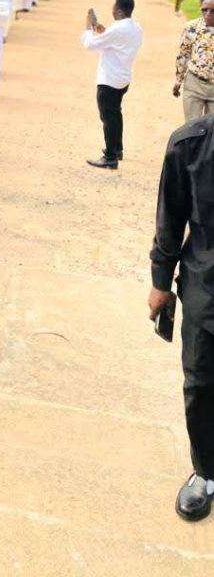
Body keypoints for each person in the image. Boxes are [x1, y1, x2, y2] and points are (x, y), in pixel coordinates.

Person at [148, 112, 214, 521]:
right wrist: (160, 281)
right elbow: (170, 217)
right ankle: (206, 472)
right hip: (207, 293)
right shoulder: (189, 145)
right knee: (201, 384)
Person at [81, 0, 143, 169]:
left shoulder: (117, 29)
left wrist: (88, 28)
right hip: (123, 77)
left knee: (108, 117)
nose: (112, 10)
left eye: (114, 8)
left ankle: (110, 157)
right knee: (115, 113)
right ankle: (117, 149)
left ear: (120, 11)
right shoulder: (137, 28)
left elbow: (90, 45)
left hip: (109, 79)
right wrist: (105, 32)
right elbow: (118, 41)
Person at [173, 0, 214, 120]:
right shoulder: (192, 27)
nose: (208, 13)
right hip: (194, 84)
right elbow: (184, 54)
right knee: (192, 127)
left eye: (212, 11)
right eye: (204, 9)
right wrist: (178, 80)